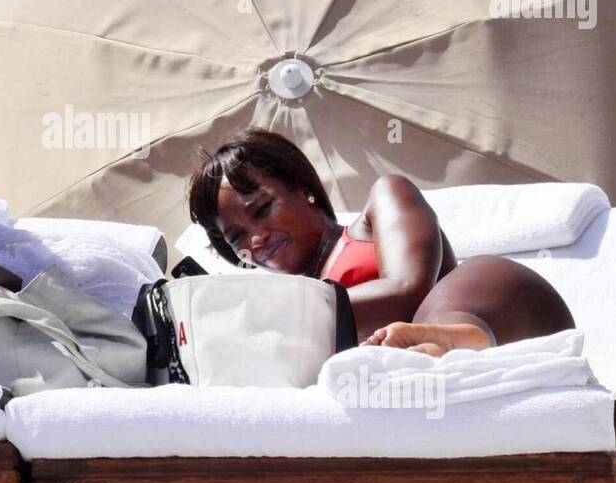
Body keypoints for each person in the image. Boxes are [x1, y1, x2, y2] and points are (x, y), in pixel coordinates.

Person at [187, 129, 573, 356]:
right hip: (407, 385)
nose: (256, 239)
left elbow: (408, 288)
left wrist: (269, 315)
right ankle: (430, 355)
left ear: (303, 187)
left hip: (506, 310)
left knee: (448, 298)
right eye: (236, 237)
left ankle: (446, 341)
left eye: (263, 209)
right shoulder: (293, 310)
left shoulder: (381, 202)